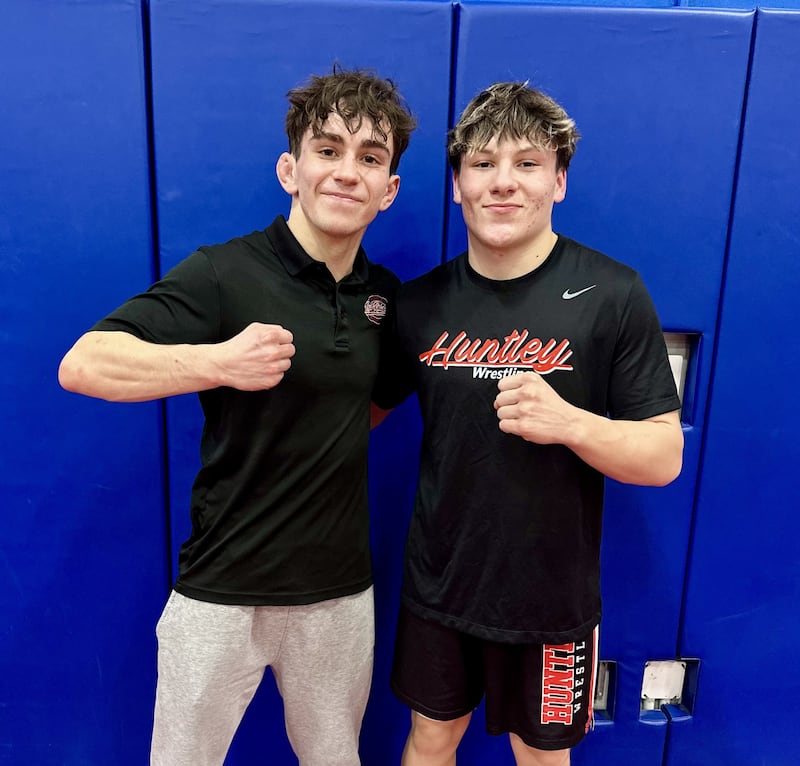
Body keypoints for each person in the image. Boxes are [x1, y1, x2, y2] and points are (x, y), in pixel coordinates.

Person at [58, 68, 416, 766]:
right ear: (291, 168)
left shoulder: (385, 300)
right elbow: (85, 364)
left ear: (389, 188)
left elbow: (366, 406)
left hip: (338, 595)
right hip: (222, 590)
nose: (347, 172)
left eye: (370, 157)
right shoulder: (225, 273)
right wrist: (217, 363)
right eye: (328, 149)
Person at [372, 82, 684, 766]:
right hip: (439, 588)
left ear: (559, 181)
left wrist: (572, 423)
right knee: (429, 741)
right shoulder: (419, 305)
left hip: (551, 600)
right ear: (457, 185)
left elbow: (662, 456)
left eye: (527, 163)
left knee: (541, 756)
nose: (503, 183)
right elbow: (358, 412)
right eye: (483, 164)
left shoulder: (613, 294)